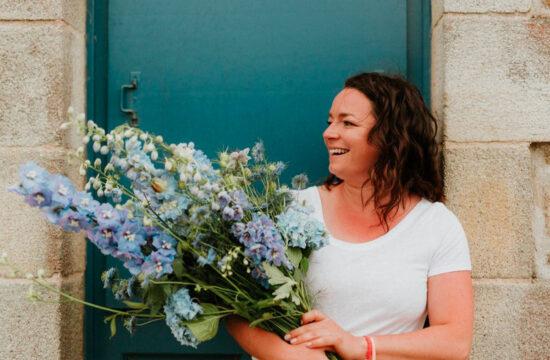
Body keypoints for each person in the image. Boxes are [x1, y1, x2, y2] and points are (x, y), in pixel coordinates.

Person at [226, 72, 474, 360]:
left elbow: (455, 342)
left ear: (391, 138)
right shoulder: (291, 209)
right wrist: (295, 357)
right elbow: (236, 308)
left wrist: (360, 346)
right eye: (330, 121)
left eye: (348, 122)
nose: (329, 133)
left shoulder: (435, 225)